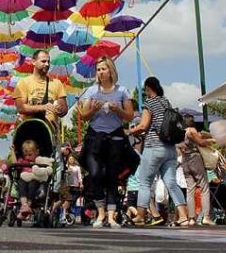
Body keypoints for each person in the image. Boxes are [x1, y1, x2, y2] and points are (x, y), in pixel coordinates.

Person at [77, 56, 134, 228]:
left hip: (115, 138)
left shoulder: (122, 91)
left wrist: (118, 109)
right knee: (95, 174)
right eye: (98, 69)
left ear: (111, 71)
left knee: (112, 176)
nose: (101, 72)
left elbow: (130, 115)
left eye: (104, 69)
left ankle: (110, 215)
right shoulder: (92, 91)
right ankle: (100, 212)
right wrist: (93, 109)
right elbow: (83, 115)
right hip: (95, 137)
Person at [128, 77, 190, 226]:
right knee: (171, 183)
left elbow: (143, 126)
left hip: (154, 146)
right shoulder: (166, 102)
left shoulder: (150, 103)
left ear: (148, 88)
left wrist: (130, 131)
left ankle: (141, 216)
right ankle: (183, 216)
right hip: (170, 149)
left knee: (144, 182)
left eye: (145, 90)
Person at [14, 50, 67, 129]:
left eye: (48, 62)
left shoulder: (57, 83)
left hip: (50, 133)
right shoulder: (23, 83)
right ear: (33, 62)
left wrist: (60, 109)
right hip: (30, 131)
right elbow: (21, 108)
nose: (47, 64)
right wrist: (43, 107)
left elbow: (64, 109)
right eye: (43, 61)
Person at [181, 114, 214, 226]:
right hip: (195, 158)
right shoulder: (191, 130)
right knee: (204, 186)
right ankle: (206, 217)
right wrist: (211, 140)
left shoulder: (182, 131)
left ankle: (191, 218)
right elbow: (201, 143)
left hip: (185, 160)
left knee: (190, 189)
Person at [15, 139, 42, 220]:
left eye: (30, 155)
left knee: (32, 184)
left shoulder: (39, 161)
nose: (27, 157)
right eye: (25, 155)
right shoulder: (22, 160)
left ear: (37, 152)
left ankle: (28, 206)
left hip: (35, 180)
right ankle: (24, 205)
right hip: (24, 179)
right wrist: (12, 152)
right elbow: (15, 164)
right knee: (21, 182)